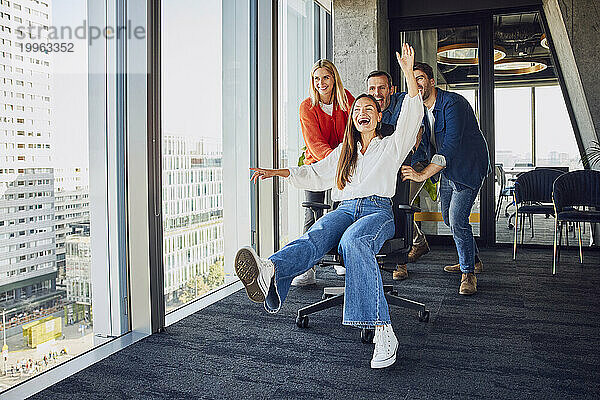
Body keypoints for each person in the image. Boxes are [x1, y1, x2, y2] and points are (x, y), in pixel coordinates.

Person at [234, 44, 423, 369]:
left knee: (353, 243)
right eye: (357, 110)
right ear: (352, 119)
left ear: (378, 117)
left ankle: (383, 330)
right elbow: (313, 173)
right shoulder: (342, 153)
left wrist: (407, 71)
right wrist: (274, 172)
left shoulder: (392, 146)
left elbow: (412, 113)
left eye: (369, 109)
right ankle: (271, 269)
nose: (362, 112)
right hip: (345, 209)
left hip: (377, 211)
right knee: (317, 233)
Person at [401, 62, 491, 295]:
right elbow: (421, 148)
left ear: (432, 81)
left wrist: (421, 174)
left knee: (457, 220)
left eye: (420, 78)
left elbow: (449, 148)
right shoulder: (420, 110)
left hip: (467, 168)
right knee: (451, 221)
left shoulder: (452, 103)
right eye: (413, 79)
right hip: (448, 171)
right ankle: (473, 260)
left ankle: (468, 274)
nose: (417, 84)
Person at [292, 59, 355, 286]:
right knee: (311, 215)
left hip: (343, 164)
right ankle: (307, 269)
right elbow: (315, 143)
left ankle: (340, 259)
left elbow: (352, 132)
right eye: (316, 79)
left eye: (325, 77)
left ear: (334, 78)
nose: (321, 83)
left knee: (341, 214)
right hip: (318, 165)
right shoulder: (306, 107)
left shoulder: (346, 99)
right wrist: (333, 162)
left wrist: (343, 163)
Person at [366, 70, 430, 281]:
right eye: (373, 88)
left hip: (414, 162)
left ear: (391, 89)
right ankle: (417, 241)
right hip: (388, 167)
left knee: (398, 204)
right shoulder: (369, 108)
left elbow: (417, 130)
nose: (377, 93)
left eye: (382, 88)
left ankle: (399, 263)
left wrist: (407, 150)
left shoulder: (404, 101)